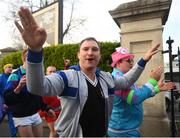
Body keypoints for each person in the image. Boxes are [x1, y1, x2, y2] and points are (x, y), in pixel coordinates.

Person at [15, 7, 161, 137]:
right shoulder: (66, 77)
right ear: (78, 54)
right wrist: (35, 51)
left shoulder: (106, 78)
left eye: (95, 49)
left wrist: (144, 60)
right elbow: (37, 87)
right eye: (85, 49)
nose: (90, 52)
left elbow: (127, 81)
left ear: (100, 56)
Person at [108, 47, 175, 137]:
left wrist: (157, 89)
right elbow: (135, 98)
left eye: (132, 60)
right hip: (122, 133)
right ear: (118, 63)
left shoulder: (125, 78)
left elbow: (139, 93)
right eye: (129, 61)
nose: (132, 63)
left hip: (127, 130)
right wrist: (153, 81)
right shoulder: (116, 78)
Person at [4, 49, 55, 137]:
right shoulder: (15, 75)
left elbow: (37, 95)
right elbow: (8, 99)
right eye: (32, 55)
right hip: (22, 116)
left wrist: (46, 108)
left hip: (35, 114)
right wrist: (19, 87)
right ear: (25, 58)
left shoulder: (36, 74)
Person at [39, 65, 61, 138]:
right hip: (50, 113)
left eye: (54, 71)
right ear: (46, 73)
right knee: (54, 133)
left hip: (61, 112)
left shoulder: (60, 82)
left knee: (61, 132)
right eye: (50, 71)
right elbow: (40, 101)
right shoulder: (43, 85)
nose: (52, 73)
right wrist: (41, 114)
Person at [0, 63, 17, 137]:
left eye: (11, 67)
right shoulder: (0, 77)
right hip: (2, 105)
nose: (10, 68)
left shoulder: (13, 77)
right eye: (9, 67)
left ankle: (13, 136)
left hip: (11, 104)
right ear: (5, 69)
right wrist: (3, 103)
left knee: (12, 122)